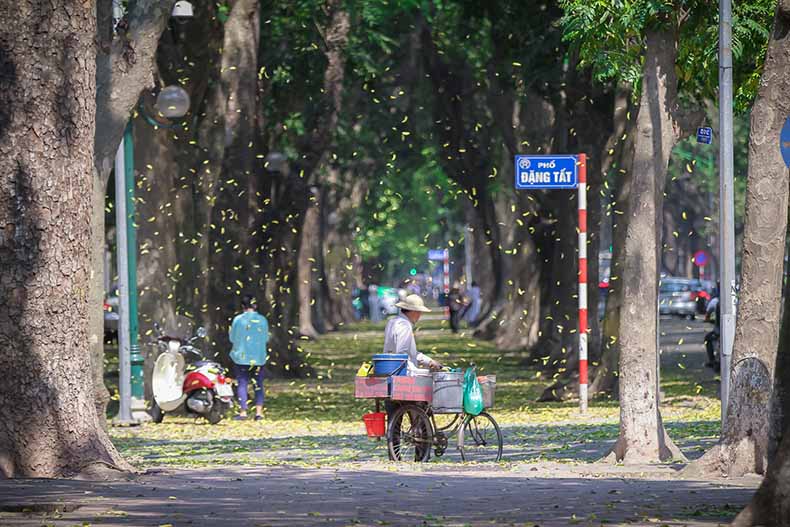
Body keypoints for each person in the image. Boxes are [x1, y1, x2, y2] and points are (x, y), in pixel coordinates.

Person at [383, 294, 443, 460]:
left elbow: (412, 354)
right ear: (413, 312)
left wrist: (429, 361)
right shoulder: (404, 326)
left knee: (393, 419)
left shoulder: (392, 322)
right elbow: (402, 355)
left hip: (390, 375)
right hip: (404, 376)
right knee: (421, 412)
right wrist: (420, 371)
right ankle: (421, 454)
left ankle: (394, 455)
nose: (420, 316)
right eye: (419, 312)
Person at [229, 294, 269, 420]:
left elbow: (232, 338)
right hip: (258, 357)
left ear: (242, 306)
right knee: (258, 384)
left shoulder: (237, 320)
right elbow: (266, 338)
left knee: (242, 384)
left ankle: (243, 412)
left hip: (241, 357)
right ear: (255, 305)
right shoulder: (262, 320)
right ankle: (259, 413)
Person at [704, 283, 721, 373]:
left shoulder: (714, 301)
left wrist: (709, 320)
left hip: (718, 332)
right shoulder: (734, 300)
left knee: (707, 338)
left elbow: (707, 316)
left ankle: (711, 360)